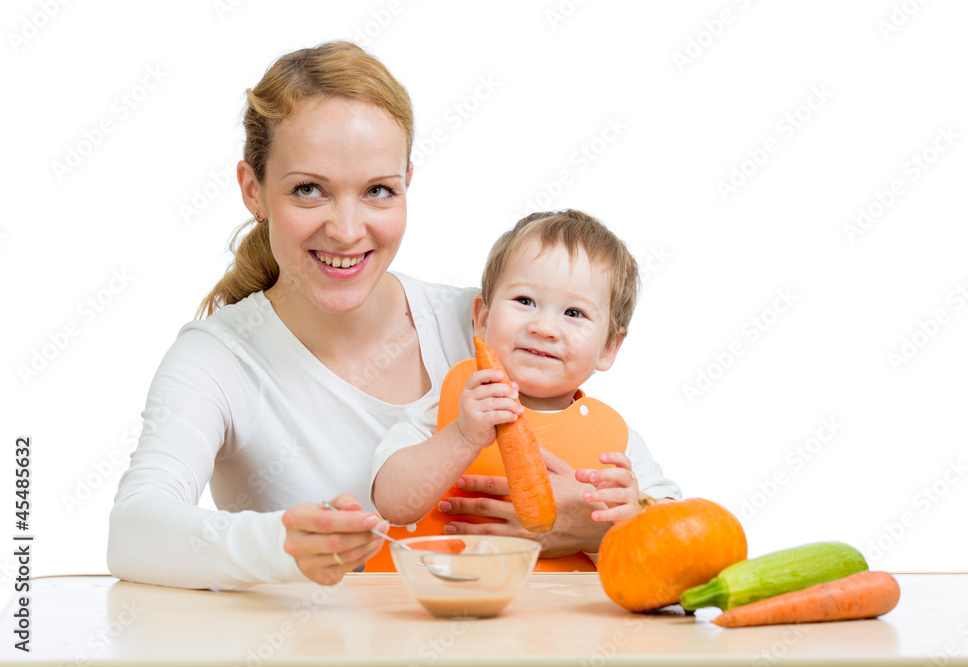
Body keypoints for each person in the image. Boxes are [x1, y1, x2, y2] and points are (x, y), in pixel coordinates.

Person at [107, 42, 625, 590]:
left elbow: (614, 472)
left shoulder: (489, 324)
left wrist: (600, 527)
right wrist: (281, 542)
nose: (347, 230)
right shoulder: (217, 360)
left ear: (406, 183)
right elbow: (134, 533)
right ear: (252, 189)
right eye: (309, 190)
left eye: (378, 190)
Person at [367, 210, 680, 572]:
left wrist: (632, 511)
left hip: (565, 611)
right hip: (438, 600)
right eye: (525, 301)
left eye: (574, 313)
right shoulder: (450, 407)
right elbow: (391, 504)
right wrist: (462, 436)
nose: (544, 327)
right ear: (483, 318)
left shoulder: (616, 443)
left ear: (609, 347)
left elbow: (679, 535)